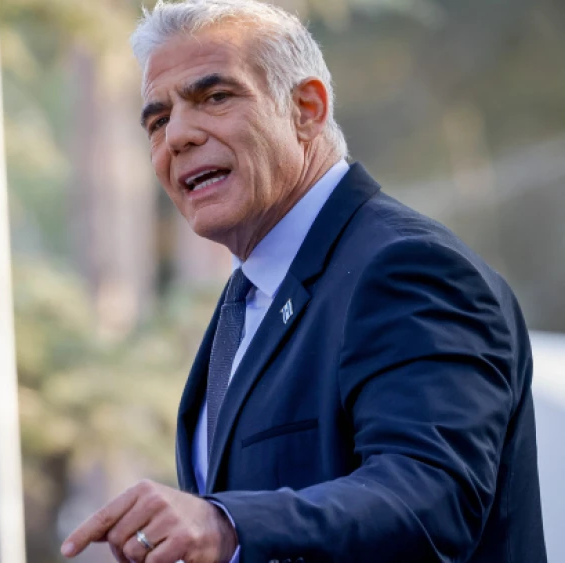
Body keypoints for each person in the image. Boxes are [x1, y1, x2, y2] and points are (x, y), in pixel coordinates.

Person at [60, 1, 547, 562]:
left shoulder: (409, 268)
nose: (178, 136)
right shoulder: (248, 299)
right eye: (157, 120)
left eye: (214, 97)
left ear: (306, 109)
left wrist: (227, 525)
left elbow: (432, 500)